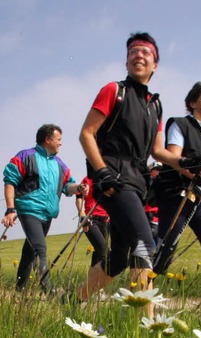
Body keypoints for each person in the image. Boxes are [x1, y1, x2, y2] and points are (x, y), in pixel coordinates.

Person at [74, 32, 185, 303]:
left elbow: (157, 151)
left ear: (155, 65)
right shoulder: (114, 90)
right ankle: (144, 321)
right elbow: (87, 133)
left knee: (121, 257)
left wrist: (187, 164)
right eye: (133, 52)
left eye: (146, 53)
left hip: (138, 180)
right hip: (112, 175)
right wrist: (101, 172)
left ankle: (74, 300)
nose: (139, 56)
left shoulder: (155, 105)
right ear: (126, 62)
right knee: (145, 243)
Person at [151, 82, 201, 315]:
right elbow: (173, 158)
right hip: (177, 195)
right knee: (164, 251)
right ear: (193, 102)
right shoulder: (179, 124)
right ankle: (140, 301)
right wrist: (197, 174)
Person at [2, 124, 88, 292]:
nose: (61, 143)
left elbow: (68, 185)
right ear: (48, 139)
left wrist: (78, 187)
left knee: (30, 252)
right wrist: (11, 209)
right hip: (29, 209)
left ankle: (19, 291)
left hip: (48, 214)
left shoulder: (59, 164)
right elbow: (10, 181)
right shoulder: (26, 156)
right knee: (40, 249)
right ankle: (49, 291)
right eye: (59, 139)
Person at [75, 176, 110, 270]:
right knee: (104, 250)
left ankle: (92, 282)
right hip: (90, 219)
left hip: (106, 220)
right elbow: (79, 198)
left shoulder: (108, 178)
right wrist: (82, 216)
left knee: (99, 252)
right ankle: (98, 279)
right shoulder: (87, 179)